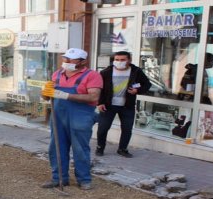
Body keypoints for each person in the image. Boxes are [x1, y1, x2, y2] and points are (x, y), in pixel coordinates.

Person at [41, 48, 103, 190]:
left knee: (80, 149)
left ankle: (84, 180)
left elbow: (93, 97)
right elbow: (47, 97)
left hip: (80, 117)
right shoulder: (57, 74)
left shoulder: (92, 76)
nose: (66, 61)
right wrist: (45, 92)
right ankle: (59, 178)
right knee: (56, 148)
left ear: (83, 61)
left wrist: (64, 95)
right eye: (65, 58)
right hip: (58, 117)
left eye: (71, 59)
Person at [95, 51, 151, 158]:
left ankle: (122, 149)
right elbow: (99, 89)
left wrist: (137, 91)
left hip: (127, 106)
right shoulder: (105, 72)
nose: (119, 62)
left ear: (129, 60)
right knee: (103, 128)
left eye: (122, 60)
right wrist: (100, 103)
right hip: (108, 105)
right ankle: (100, 147)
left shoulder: (136, 71)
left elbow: (147, 85)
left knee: (127, 129)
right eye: (117, 60)